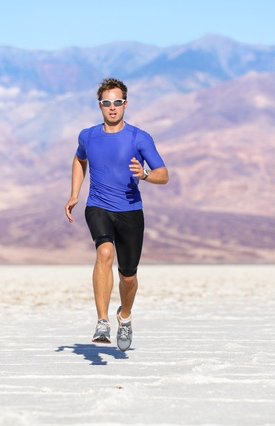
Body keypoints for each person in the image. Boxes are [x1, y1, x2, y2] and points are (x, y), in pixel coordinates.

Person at [65, 78, 169, 352]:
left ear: (126, 104)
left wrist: (145, 175)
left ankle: (124, 316)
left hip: (131, 211)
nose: (112, 108)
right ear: (100, 105)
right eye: (107, 103)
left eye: (118, 102)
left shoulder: (139, 137)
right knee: (104, 253)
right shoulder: (88, 135)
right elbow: (79, 158)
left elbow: (163, 174)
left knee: (128, 276)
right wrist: (76, 193)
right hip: (98, 205)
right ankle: (102, 321)